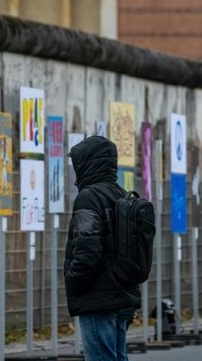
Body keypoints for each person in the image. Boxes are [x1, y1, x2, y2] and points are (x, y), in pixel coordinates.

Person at [64, 136, 140, 361]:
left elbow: (88, 250)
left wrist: (74, 283)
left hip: (98, 298)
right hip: (123, 296)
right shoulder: (122, 195)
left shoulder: (88, 198)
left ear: (87, 164)